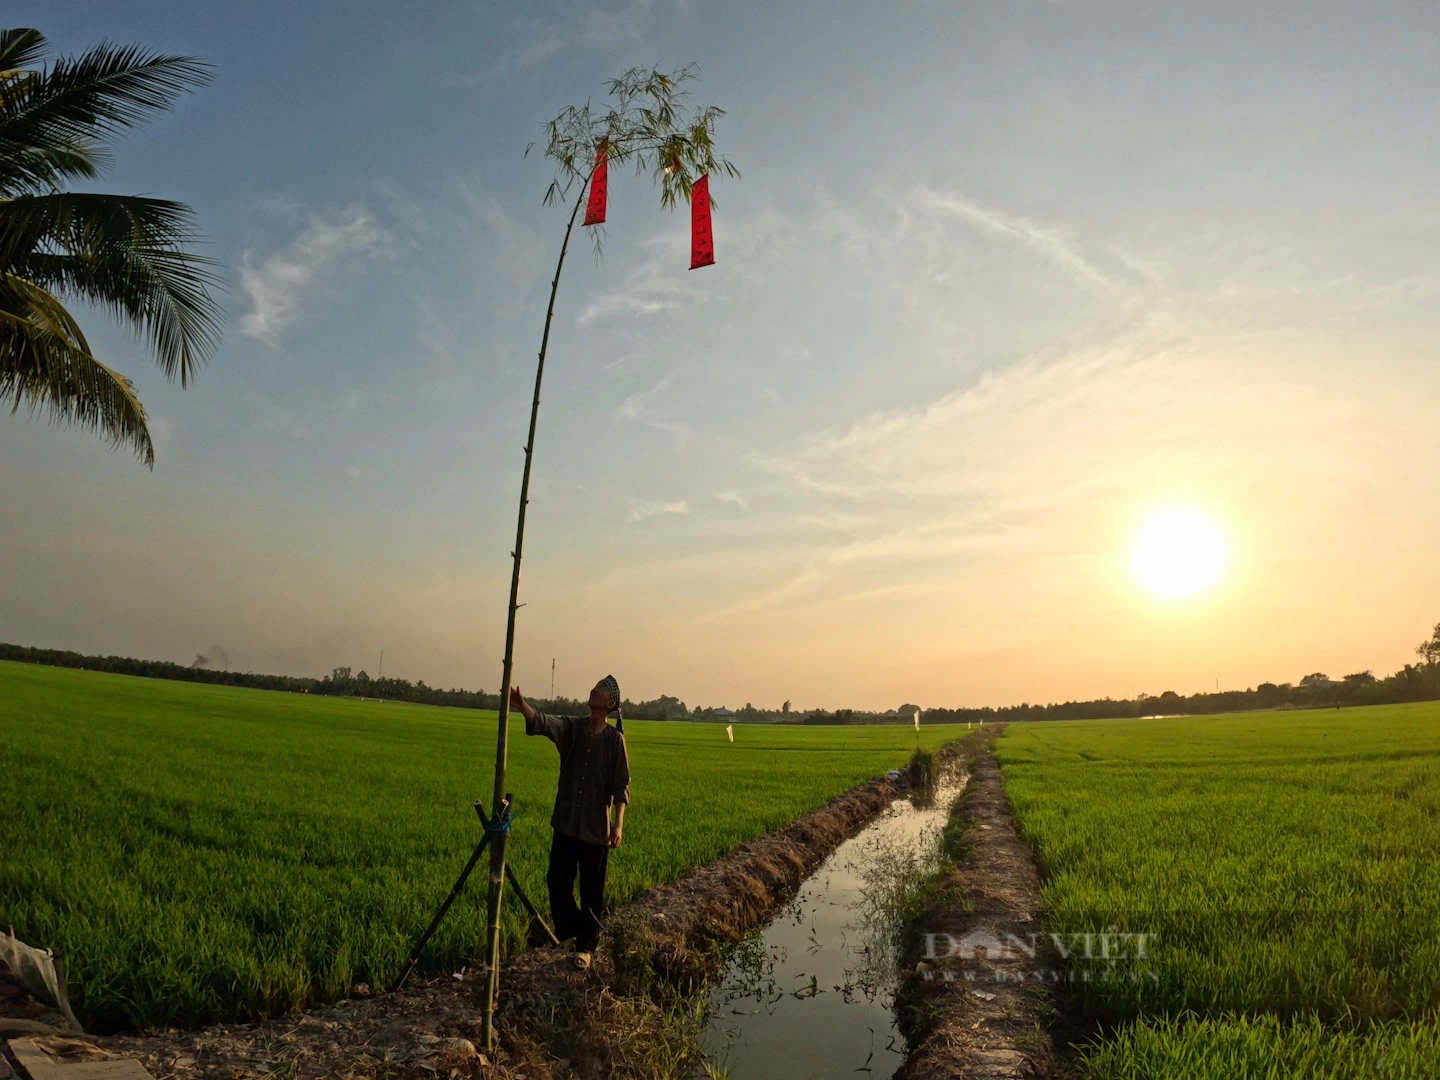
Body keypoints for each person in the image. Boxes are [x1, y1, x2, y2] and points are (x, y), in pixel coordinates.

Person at [510, 675, 630, 970]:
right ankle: (572, 933)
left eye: (601, 689)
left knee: (592, 890)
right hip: (566, 823)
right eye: (595, 685)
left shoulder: (615, 741)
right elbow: (546, 723)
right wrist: (522, 706)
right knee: (557, 881)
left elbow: (621, 787)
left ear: (610, 703)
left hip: (594, 830)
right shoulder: (573, 728)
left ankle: (586, 947)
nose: (594, 689)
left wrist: (618, 825)